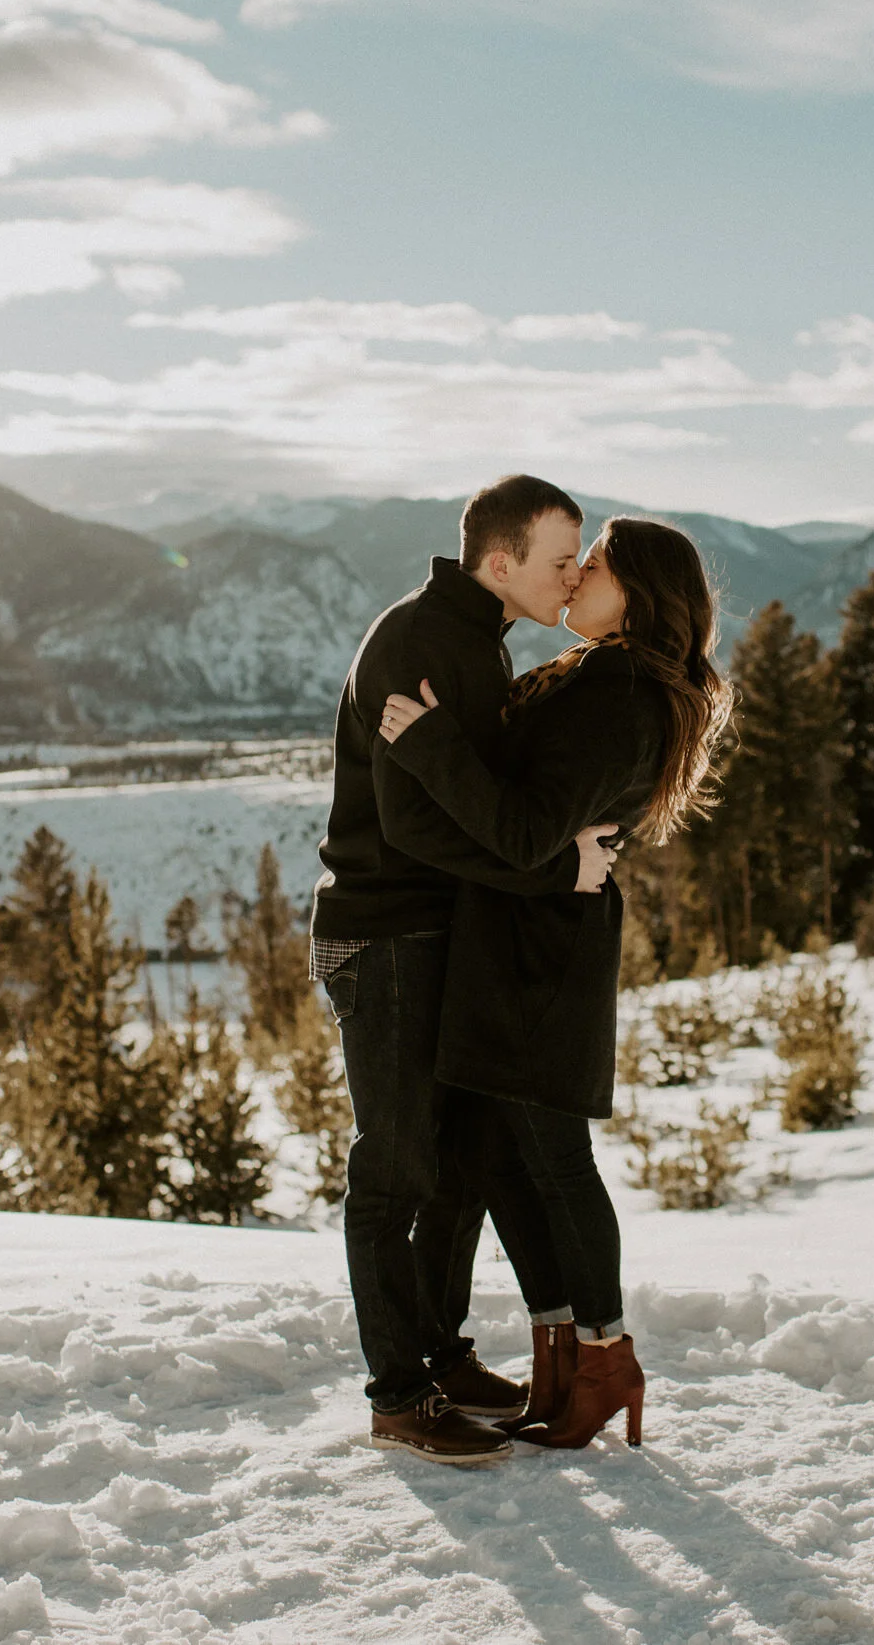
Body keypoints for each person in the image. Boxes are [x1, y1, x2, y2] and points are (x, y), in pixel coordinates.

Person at [377, 515, 733, 1449]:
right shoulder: (609, 678)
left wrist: (429, 746)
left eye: (599, 564)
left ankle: (604, 1358)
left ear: (642, 592)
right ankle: (565, 1353)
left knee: (551, 1156)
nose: (576, 577)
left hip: (540, 950)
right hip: (527, 938)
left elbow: (528, 826)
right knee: (505, 1154)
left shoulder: (617, 689)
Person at [308, 474, 623, 1466]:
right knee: (395, 1169)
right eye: (559, 559)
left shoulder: (472, 639)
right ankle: (397, 1394)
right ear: (500, 562)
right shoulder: (420, 642)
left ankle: (440, 1359)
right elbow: (414, 824)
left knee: (452, 1168)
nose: (572, 577)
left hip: (435, 934)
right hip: (386, 932)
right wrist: (553, 862)